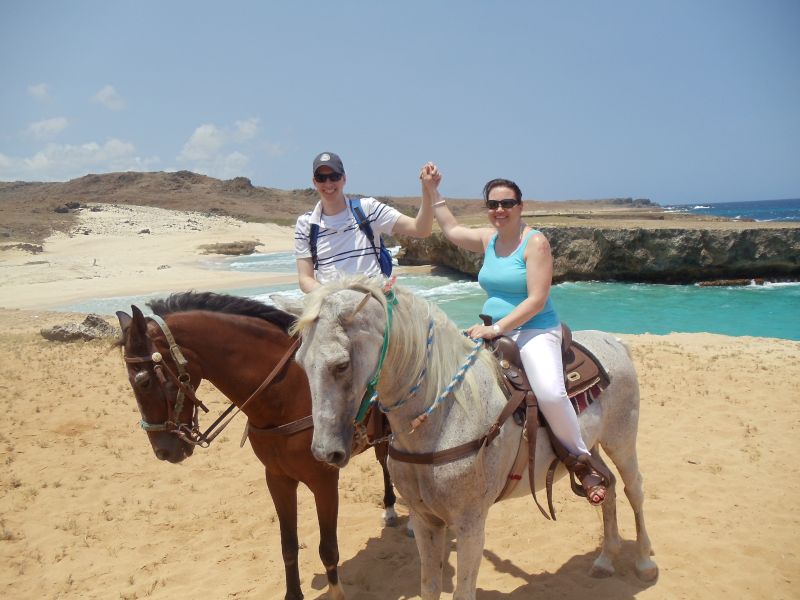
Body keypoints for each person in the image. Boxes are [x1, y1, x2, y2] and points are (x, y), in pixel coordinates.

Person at [421, 165, 607, 505]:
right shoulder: (488, 240)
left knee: (550, 393)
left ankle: (582, 461)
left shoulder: (534, 243)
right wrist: (433, 191)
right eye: (493, 204)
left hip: (534, 329)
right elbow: (450, 228)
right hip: (492, 327)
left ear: (521, 207)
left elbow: (537, 299)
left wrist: (497, 328)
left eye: (507, 204)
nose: (499, 211)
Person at [294, 152, 436, 292]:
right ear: (314, 182)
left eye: (334, 176)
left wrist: (427, 190)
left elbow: (421, 229)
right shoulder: (306, 225)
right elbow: (305, 279)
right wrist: (331, 296)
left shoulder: (368, 209)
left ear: (344, 179)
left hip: (374, 302)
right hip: (332, 307)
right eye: (321, 178)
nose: (328, 183)